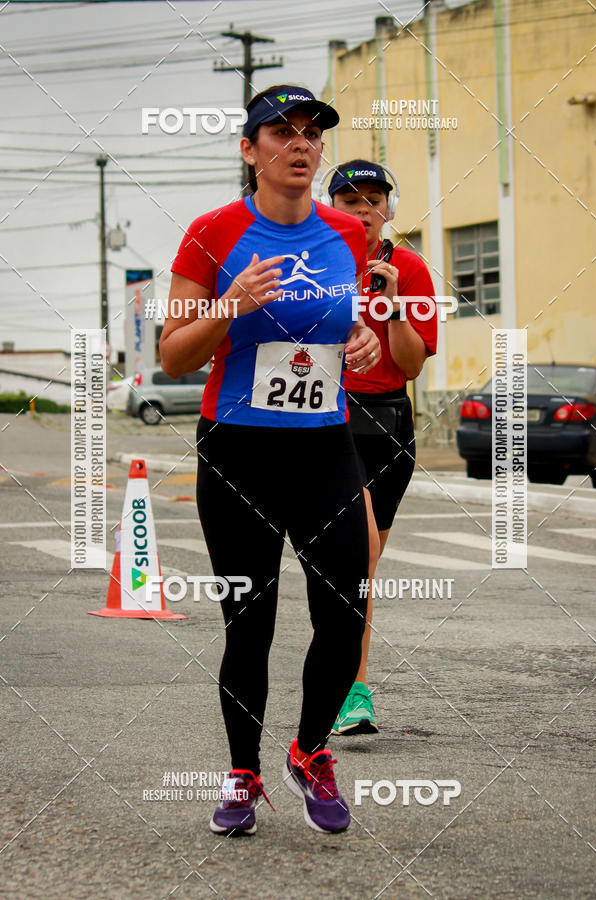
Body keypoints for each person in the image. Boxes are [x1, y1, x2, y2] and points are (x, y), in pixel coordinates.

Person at [160, 88, 381, 835]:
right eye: (281, 132)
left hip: (325, 443)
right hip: (239, 450)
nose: (302, 144)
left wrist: (366, 346)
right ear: (249, 150)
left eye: (312, 133)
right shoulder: (212, 234)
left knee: (346, 610)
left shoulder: (350, 235)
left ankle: (311, 751)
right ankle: (242, 774)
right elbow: (173, 354)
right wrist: (232, 308)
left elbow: (357, 333)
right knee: (248, 621)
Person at [326, 160, 438, 736]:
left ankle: (344, 676)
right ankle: (353, 688)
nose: (363, 211)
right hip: (325, 418)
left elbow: (414, 363)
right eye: (350, 200)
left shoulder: (409, 268)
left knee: (360, 569)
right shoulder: (315, 259)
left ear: (388, 210)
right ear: (331, 208)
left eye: (374, 200)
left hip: (389, 422)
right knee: (359, 554)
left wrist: (392, 305)